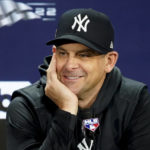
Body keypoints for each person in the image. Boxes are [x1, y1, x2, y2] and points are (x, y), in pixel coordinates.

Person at [6, 8, 150, 150]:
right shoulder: (26, 106)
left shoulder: (135, 101)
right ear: (54, 53)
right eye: (63, 53)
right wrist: (66, 110)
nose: (70, 65)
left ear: (109, 61)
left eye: (84, 55)